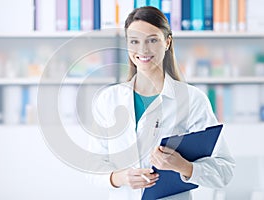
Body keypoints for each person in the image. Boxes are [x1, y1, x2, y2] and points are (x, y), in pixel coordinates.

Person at [87, 6, 235, 200]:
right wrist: (120, 178)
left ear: (167, 42)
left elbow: (224, 171)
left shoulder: (192, 99)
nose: (143, 49)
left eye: (152, 40)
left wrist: (184, 166)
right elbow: (92, 167)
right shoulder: (108, 100)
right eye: (134, 41)